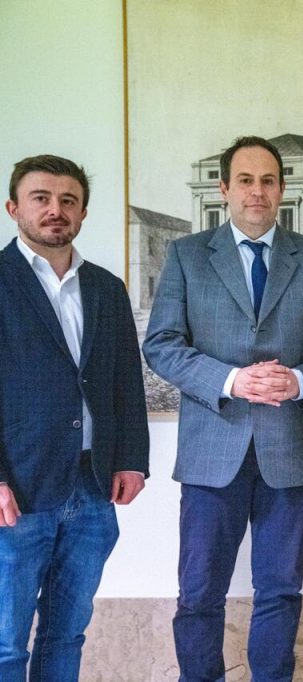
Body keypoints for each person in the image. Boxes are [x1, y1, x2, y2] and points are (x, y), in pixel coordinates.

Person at [143, 136, 303, 681]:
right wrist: (231, 379)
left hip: (290, 454)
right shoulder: (187, 255)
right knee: (198, 592)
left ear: (282, 189)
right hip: (211, 454)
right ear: (224, 188)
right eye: (246, 180)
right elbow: (161, 344)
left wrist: (299, 380)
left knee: (280, 590)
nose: (258, 191)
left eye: (268, 181)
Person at [0, 154, 149, 679]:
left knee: (66, 635)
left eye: (69, 200)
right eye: (41, 198)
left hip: (91, 490)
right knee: (5, 645)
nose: (55, 210)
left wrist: (132, 459)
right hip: (18, 492)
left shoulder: (106, 288)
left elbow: (126, 381)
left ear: (83, 213)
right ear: (14, 208)